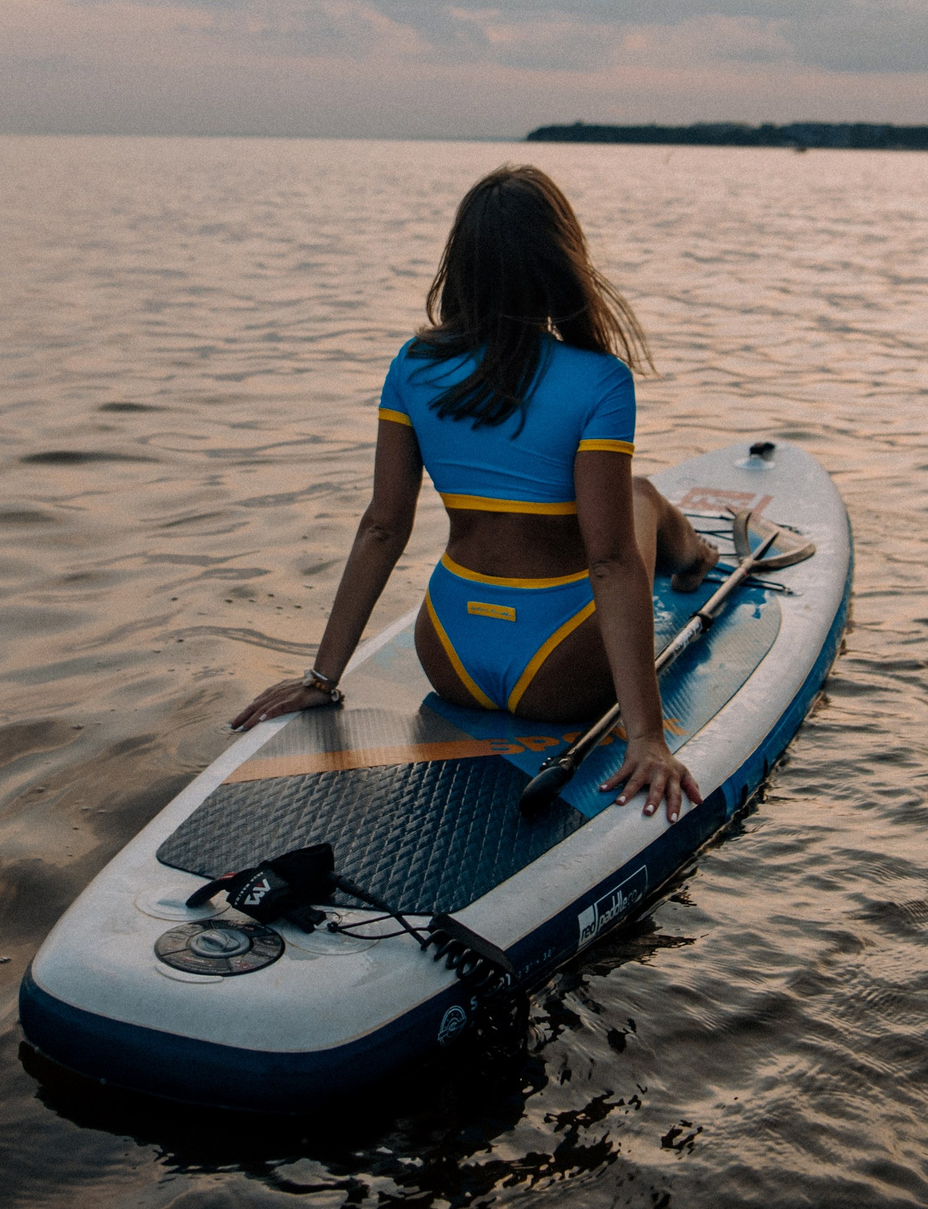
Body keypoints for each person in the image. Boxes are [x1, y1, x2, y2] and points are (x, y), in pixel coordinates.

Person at [230, 164, 718, 821]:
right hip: (559, 663)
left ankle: (692, 553)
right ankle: (694, 557)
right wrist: (646, 736)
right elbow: (608, 560)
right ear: (559, 261)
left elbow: (383, 525)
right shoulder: (599, 380)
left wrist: (323, 678)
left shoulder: (414, 363)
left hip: (450, 652)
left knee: (620, 502)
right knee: (638, 496)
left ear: (460, 263)